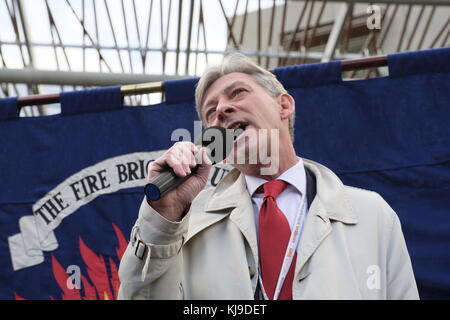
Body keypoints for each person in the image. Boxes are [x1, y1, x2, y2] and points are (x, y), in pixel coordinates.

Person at [118, 53, 419, 300]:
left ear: (284, 105)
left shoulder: (372, 215)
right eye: (211, 112)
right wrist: (163, 218)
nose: (222, 109)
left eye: (237, 92)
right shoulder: (184, 225)